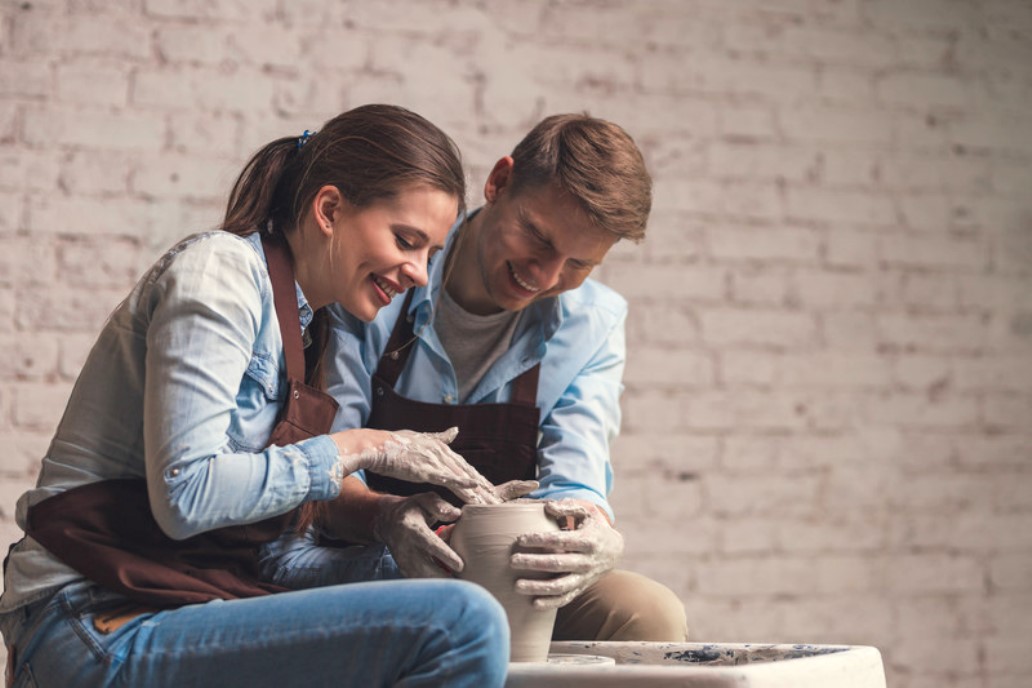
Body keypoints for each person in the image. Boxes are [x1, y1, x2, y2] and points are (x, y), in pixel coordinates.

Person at [0, 105, 514, 688]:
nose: (420, 273)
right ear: (329, 210)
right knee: (460, 624)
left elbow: (263, 558)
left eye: (431, 254)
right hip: (92, 614)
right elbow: (186, 498)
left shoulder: (306, 327)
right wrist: (362, 447)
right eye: (406, 240)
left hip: (185, 594)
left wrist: (404, 531)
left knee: (460, 580)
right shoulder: (220, 276)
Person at [264, 113, 689, 643]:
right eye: (537, 237)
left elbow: (576, 477)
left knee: (646, 612)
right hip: (370, 557)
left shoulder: (593, 324)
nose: (545, 276)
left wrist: (596, 530)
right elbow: (326, 469)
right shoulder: (380, 278)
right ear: (499, 181)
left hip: (506, 568)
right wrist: (386, 519)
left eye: (579, 263)